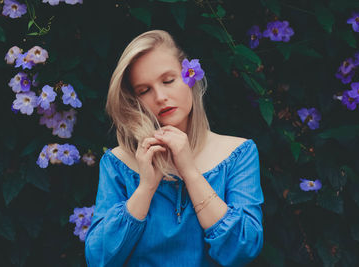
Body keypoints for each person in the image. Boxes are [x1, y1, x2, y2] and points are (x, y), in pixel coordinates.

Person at [84, 30, 264, 267]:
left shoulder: (238, 153)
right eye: (144, 90)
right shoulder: (118, 162)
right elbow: (99, 258)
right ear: (134, 101)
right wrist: (146, 187)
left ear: (191, 78)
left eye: (168, 81)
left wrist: (190, 172)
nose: (160, 97)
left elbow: (243, 249)